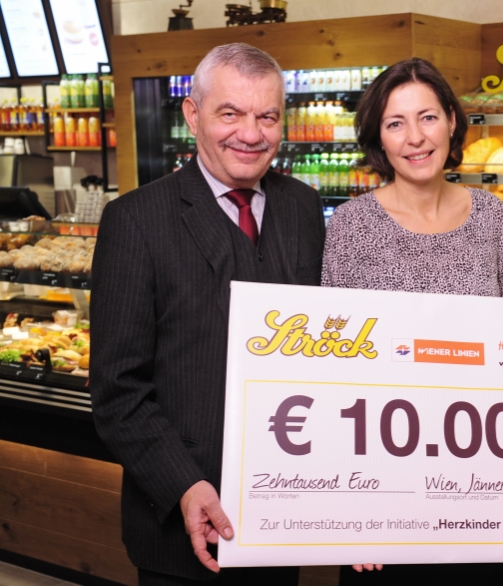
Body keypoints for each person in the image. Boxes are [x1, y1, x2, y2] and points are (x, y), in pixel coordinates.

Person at [90, 43, 325, 586]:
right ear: (193, 115)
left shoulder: (303, 207)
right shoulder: (135, 221)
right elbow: (116, 390)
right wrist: (183, 484)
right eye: (230, 113)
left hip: (282, 518)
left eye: (267, 116)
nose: (251, 133)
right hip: (182, 529)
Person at [322, 57, 503, 585]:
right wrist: (349, 508)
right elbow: (332, 374)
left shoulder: (492, 216)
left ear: (452, 120)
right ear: (378, 139)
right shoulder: (350, 224)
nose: (415, 138)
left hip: (477, 484)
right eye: (395, 123)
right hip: (381, 494)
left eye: (427, 117)